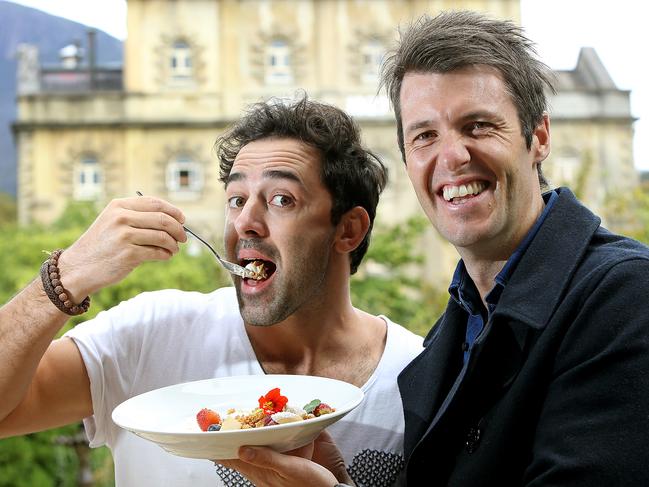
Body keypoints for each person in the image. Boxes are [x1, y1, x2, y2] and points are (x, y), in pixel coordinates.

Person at [220, 10, 649, 487]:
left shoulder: (625, 296)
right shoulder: (454, 330)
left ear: (539, 137)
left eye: (479, 126)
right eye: (425, 136)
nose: (452, 157)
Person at [0, 96, 424, 486]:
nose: (245, 223)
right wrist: (66, 274)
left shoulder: (423, 375)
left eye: (281, 199)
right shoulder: (152, 335)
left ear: (347, 229)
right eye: (237, 200)